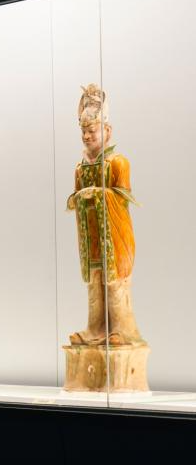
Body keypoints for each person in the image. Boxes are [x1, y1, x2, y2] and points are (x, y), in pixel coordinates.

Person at [67, 84, 144, 347]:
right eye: (84, 131)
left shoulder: (118, 163)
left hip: (115, 236)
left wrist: (98, 194)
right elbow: (73, 199)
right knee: (94, 283)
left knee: (115, 284)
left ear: (107, 131)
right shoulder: (80, 169)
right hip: (91, 237)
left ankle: (123, 331)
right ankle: (95, 329)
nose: (87, 136)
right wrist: (81, 197)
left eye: (92, 131)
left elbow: (122, 198)